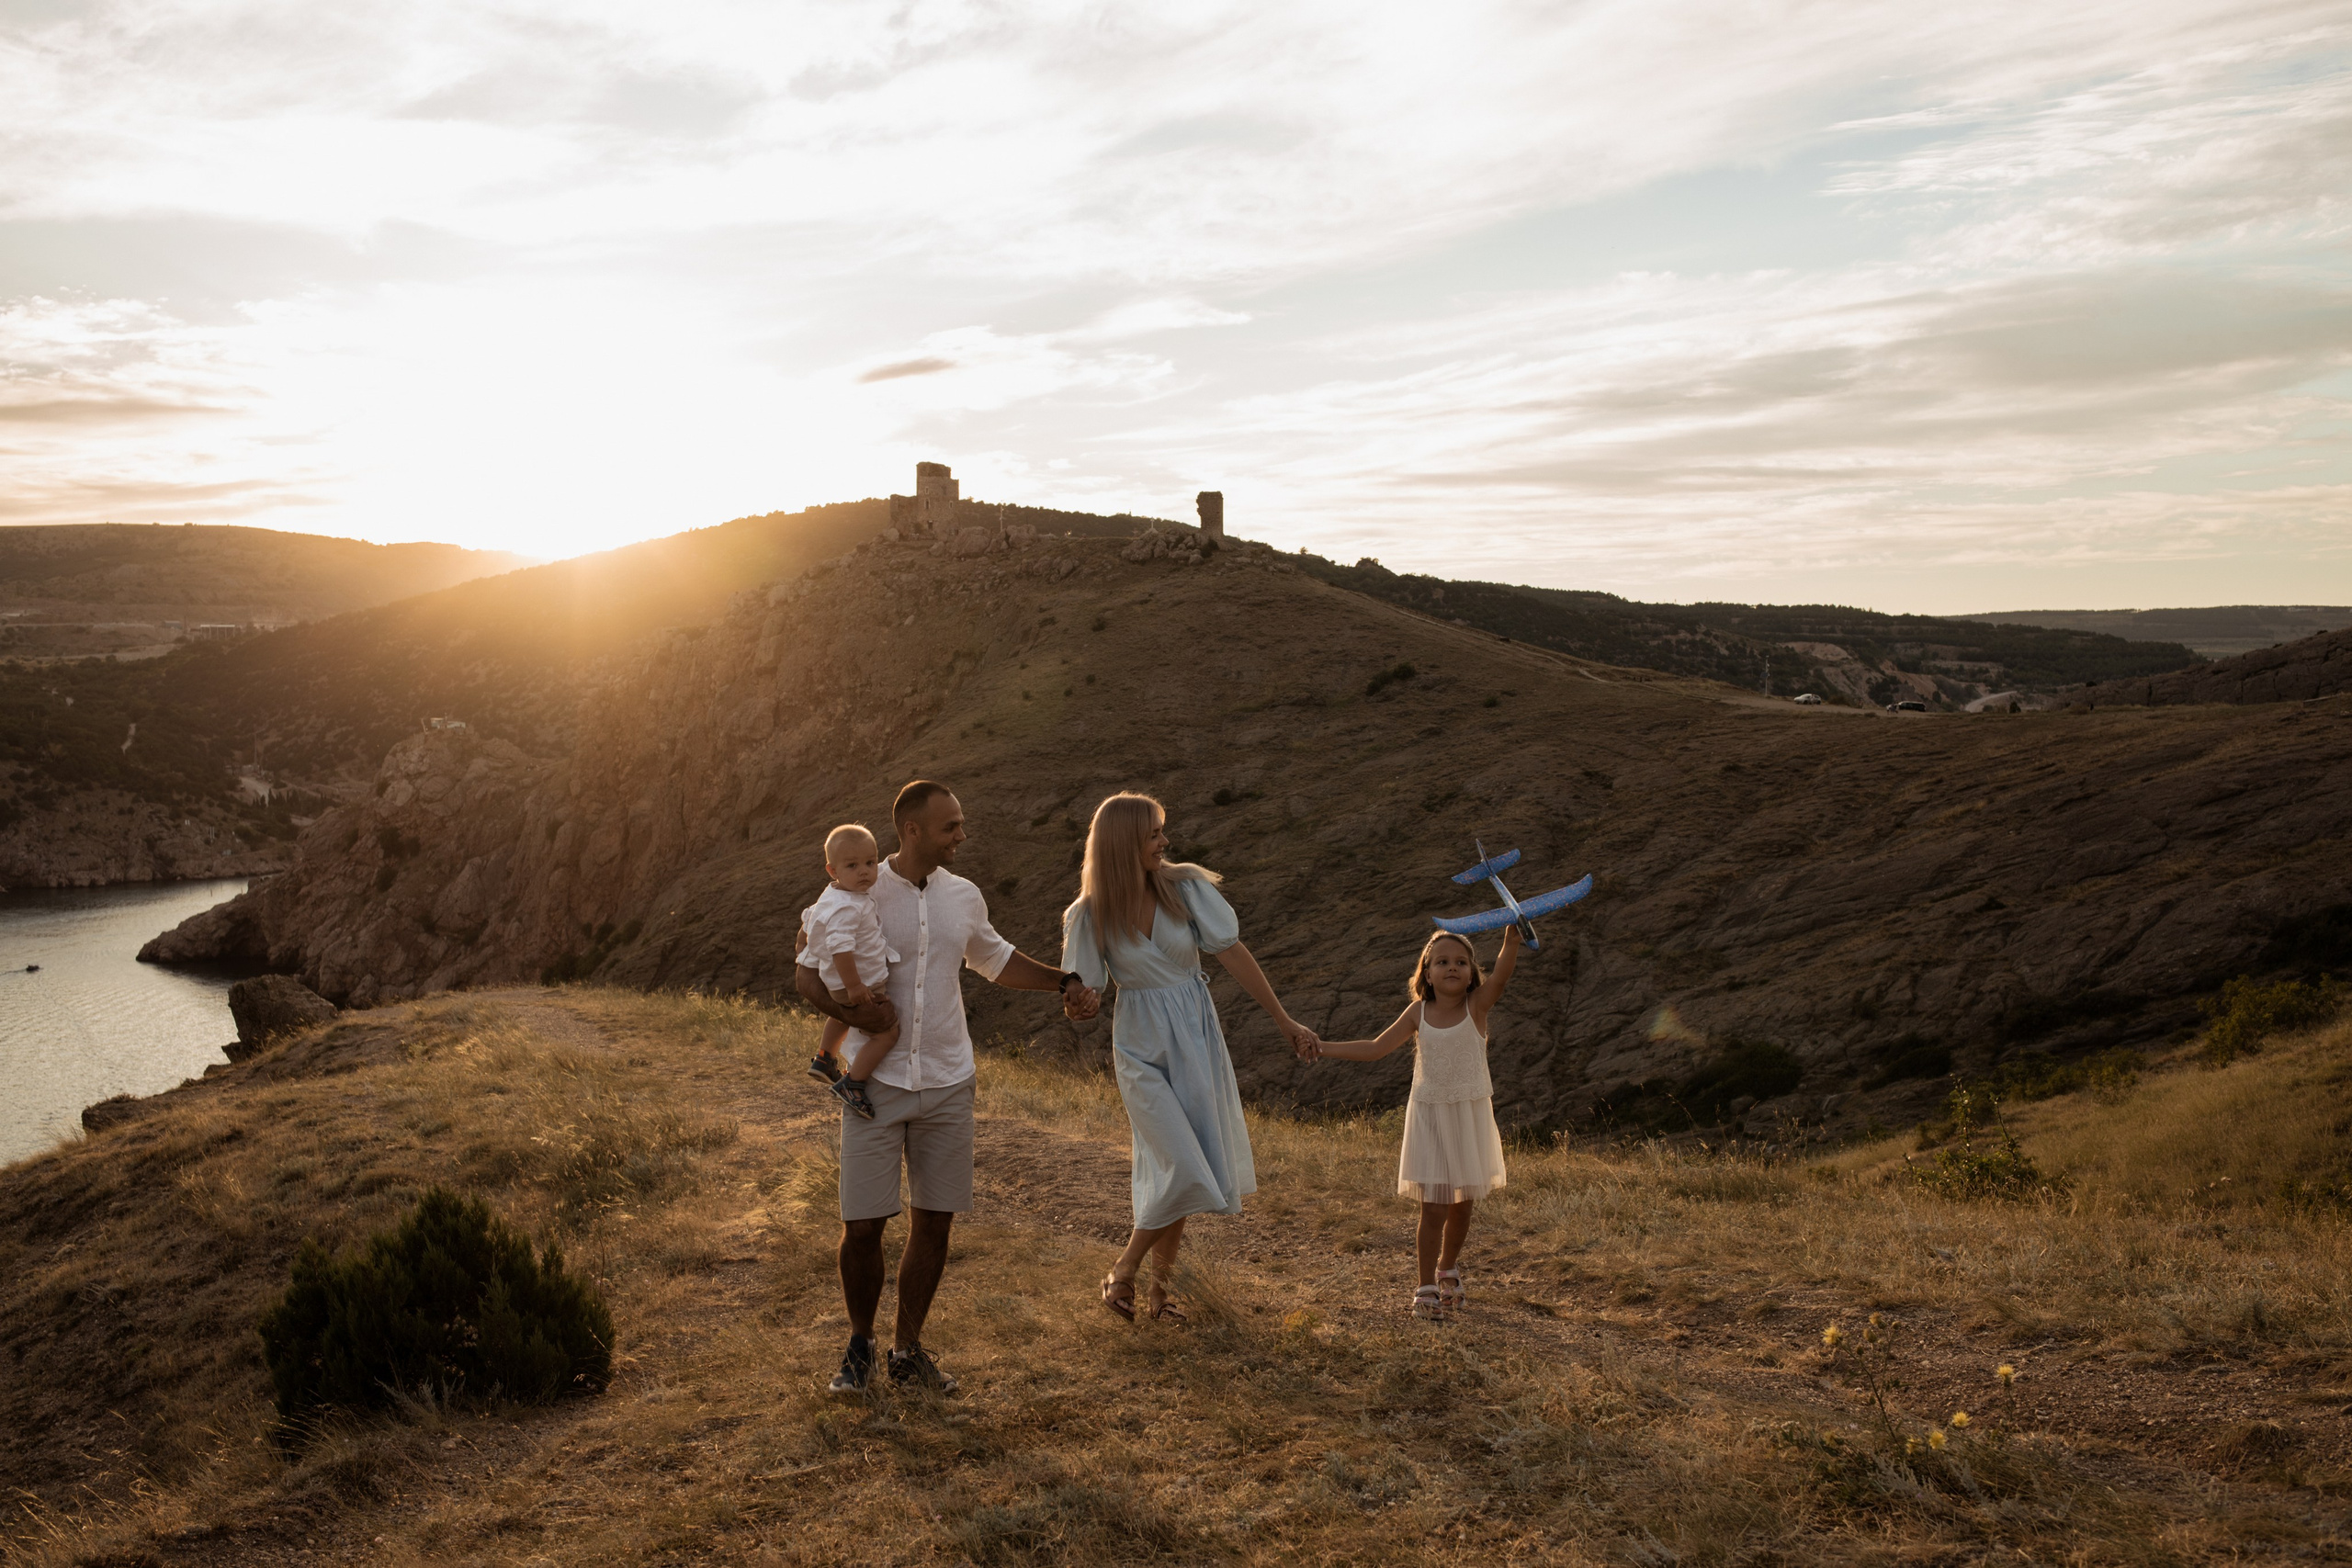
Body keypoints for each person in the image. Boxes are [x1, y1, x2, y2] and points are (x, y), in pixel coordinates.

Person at [795, 780, 1101, 1397]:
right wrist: (855, 1018)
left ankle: (907, 1351)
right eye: (951, 825)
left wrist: (1064, 980)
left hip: (947, 1080)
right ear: (912, 830)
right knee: (862, 1225)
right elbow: (805, 973)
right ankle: (859, 1346)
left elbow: (995, 958)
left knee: (934, 1222)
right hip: (874, 1082)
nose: (962, 834)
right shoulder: (859, 884)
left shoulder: (964, 896)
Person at [1060, 792, 1318, 1325]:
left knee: (1188, 1167)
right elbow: (1085, 991)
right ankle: (1124, 1272)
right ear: (1124, 840)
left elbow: (1233, 954)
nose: (1165, 841)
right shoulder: (1088, 914)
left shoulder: (1185, 889)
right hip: (1138, 1044)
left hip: (1195, 1037)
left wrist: (1284, 1020)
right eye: (1155, 833)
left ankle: (1158, 1297)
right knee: (1180, 1162)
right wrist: (1078, 1005)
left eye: (1162, 831)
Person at [1306, 925, 1520, 1321]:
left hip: (1468, 1117)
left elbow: (1503, 976)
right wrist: (1323, 1047)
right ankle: (1425, 1286)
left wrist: (1511, 942)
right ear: (1426, 972)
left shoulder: (1477, 1008)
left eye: (1460, 962)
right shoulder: (1418, 1012)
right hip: (1430, 1118)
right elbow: (1375, 1048)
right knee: (1434, 1208)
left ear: (1472, 973)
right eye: (1442, 962)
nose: (1452, 967)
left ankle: (1448, 1267)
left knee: (1462, 1207)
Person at [797, 823, 901, 1120]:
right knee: (887, 1033)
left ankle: (823, 1058)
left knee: (840, 1015)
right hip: (857, 983)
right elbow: (841, 947)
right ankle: (853, 1083)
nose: (865, 872)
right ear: (833, 871)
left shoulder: (833, 895)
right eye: (852, 866)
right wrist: (855, 986)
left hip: (838, 984)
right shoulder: (848, 907)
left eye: (870, 863)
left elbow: (810, 922)